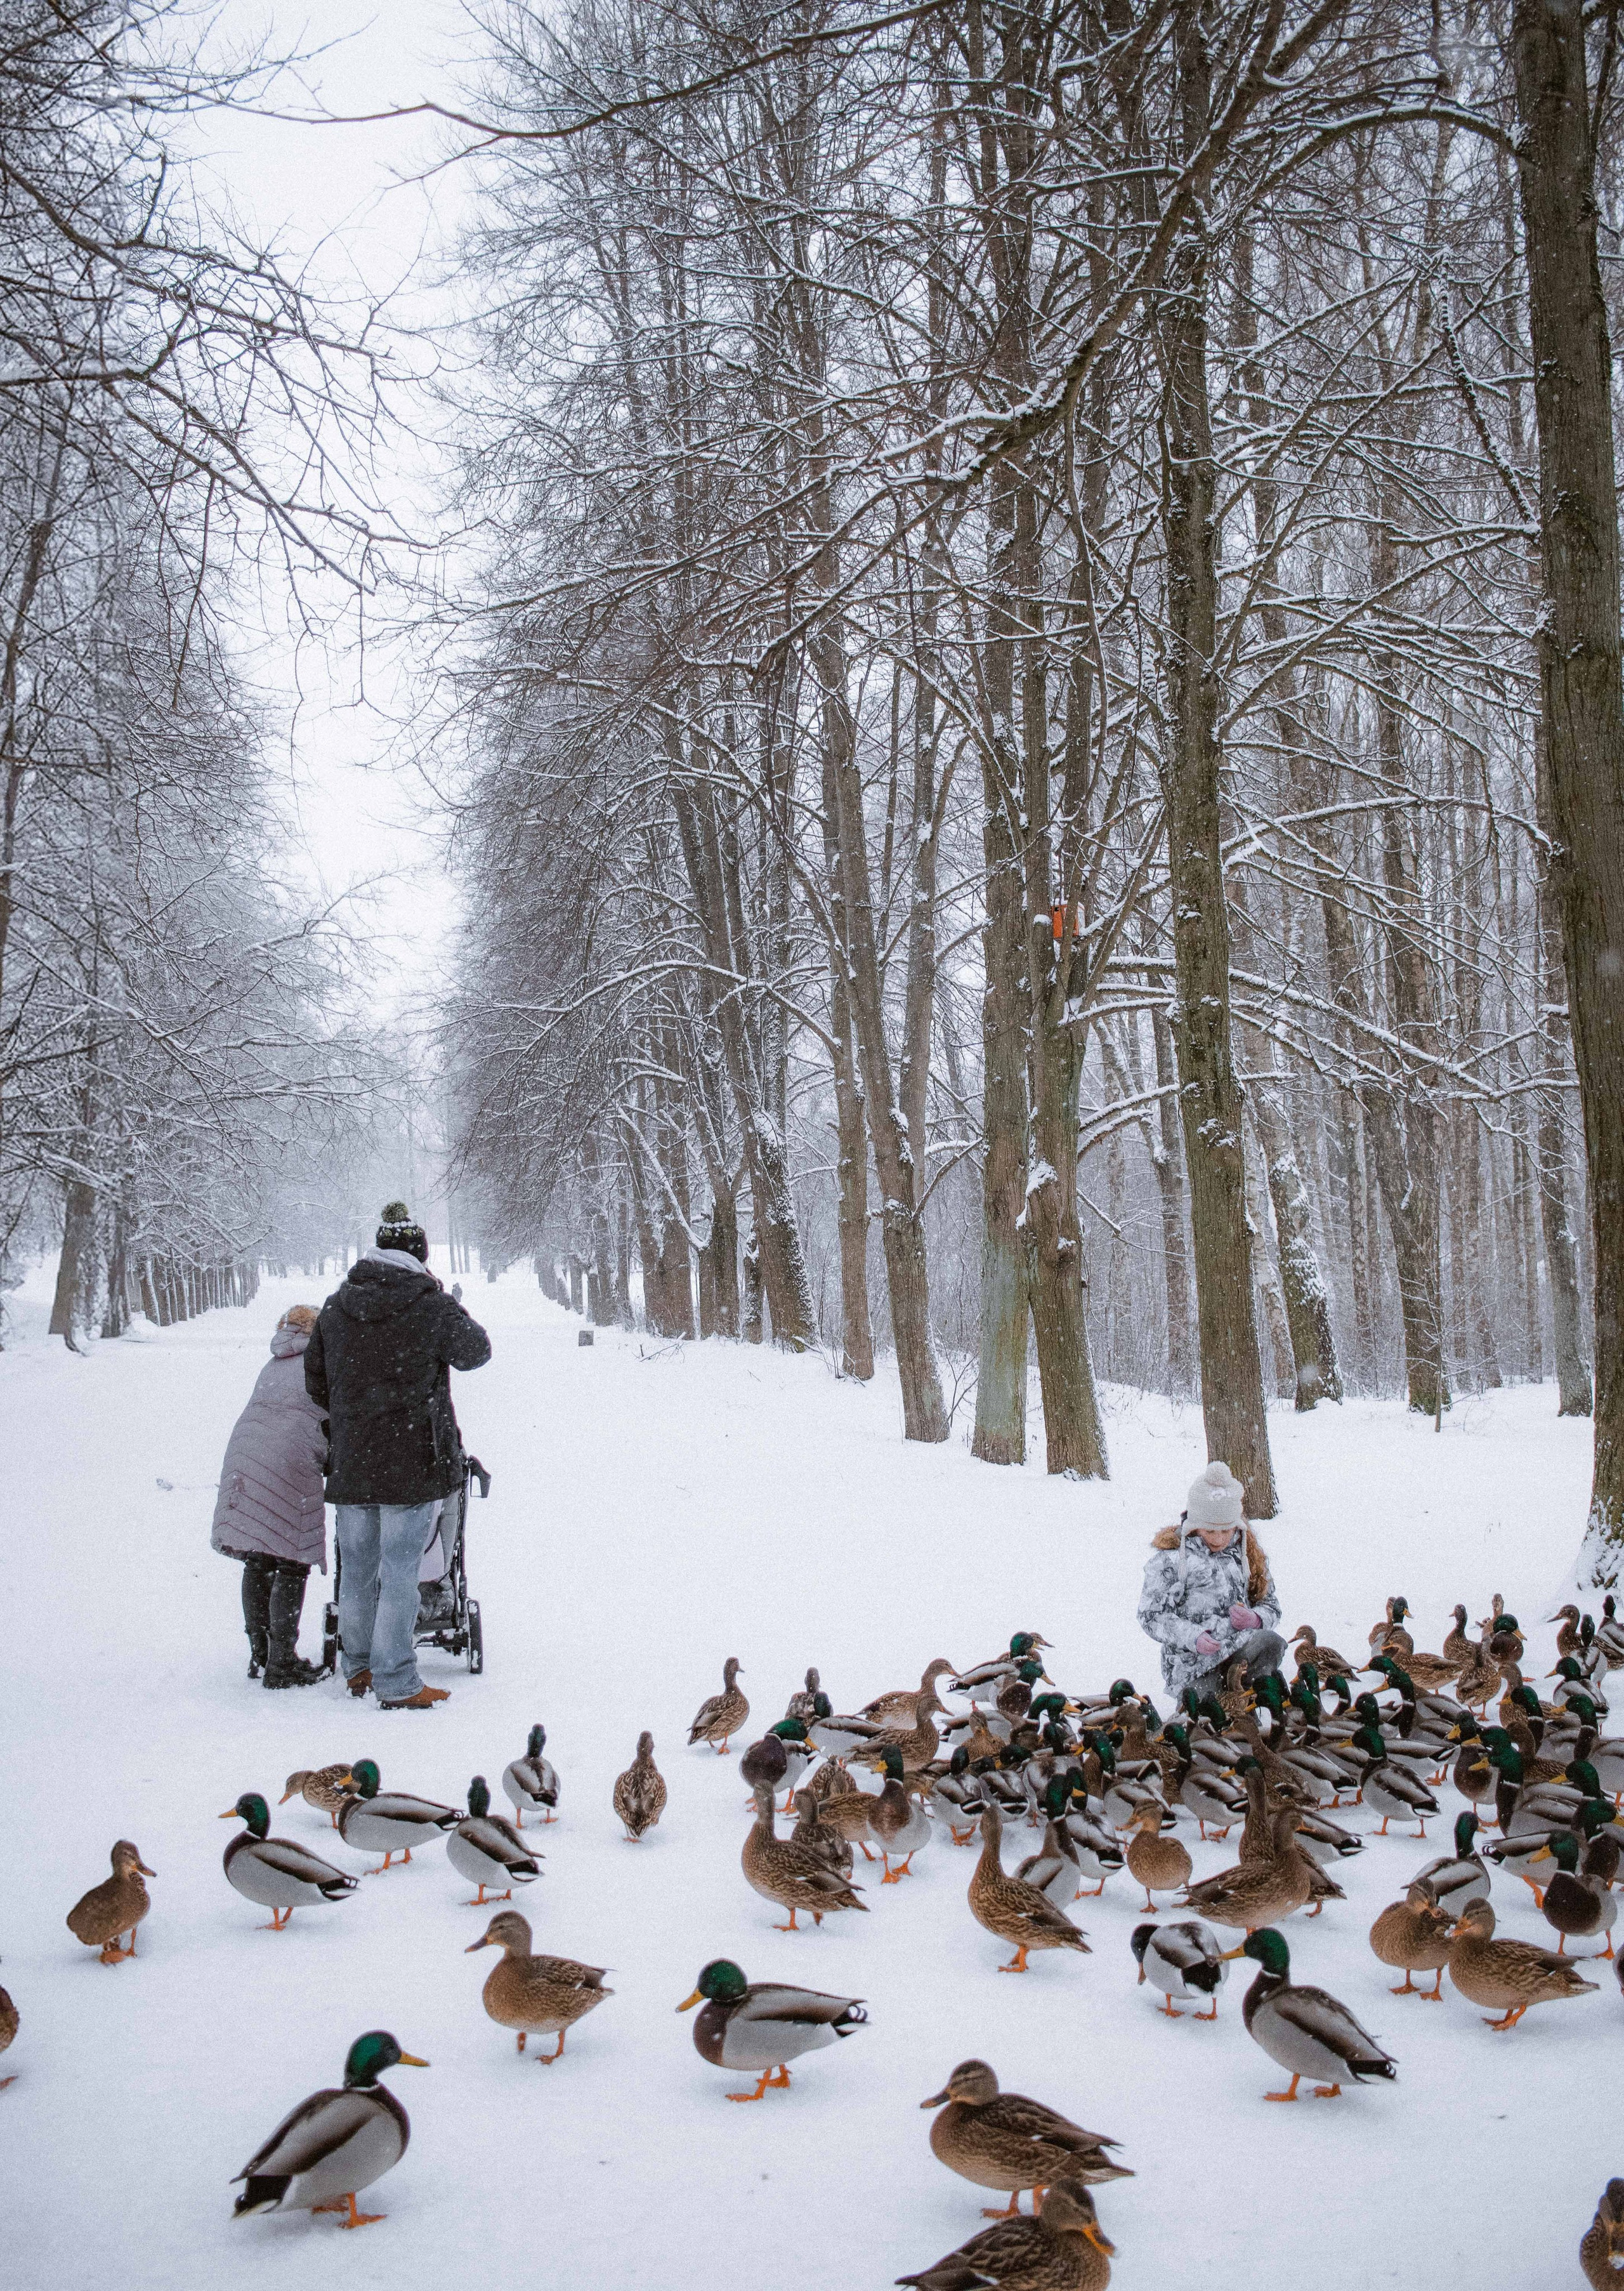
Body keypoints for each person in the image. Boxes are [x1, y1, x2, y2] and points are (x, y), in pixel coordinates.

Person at [304, 1201, 491, 1710]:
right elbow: (476, 1350)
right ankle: (397, 1679)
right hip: (410, 1462)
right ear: (420, 1257)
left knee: (357, 1570)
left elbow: (315, 1381)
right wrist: (444, 1302)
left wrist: (354, 1414)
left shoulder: (336, 1307)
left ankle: (359, 1667)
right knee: (401, 1571)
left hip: (352, 1463)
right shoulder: (428, 1303)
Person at [211, 1304, 331, 1689]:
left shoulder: (274, 1362)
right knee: (292, 1559)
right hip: (289, 1458)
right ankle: (282, 1663)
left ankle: (260, 1655)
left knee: (259, 1557)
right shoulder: (318, 1362)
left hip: (246, 1456)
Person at [1137, 1459, 1284, 1702]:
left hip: (1239, 1648)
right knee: (1206, 1709)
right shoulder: (1171, 1561)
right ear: (1195, 1526)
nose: (1218, 1539)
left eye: (1226, 1530)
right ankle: (1209, 1698)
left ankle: (1248, 1696)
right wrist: (1192, 1637)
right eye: (1210, 1531)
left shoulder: (1247, 1555)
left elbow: (1271, 1606)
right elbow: (1151, 1616)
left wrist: (1256, 1619)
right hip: (1193, 1663)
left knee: (1271, 1642)